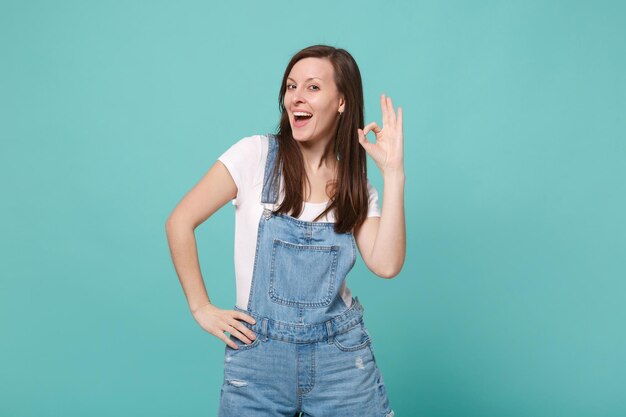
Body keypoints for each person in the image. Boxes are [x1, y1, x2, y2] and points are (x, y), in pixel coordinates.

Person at [165, 44, 405, 417]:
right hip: (258, 362)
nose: (296, 97)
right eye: (291, 87)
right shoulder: (254, 156)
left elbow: (387, 264)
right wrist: (201, 307)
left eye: (312, 87)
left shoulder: (354, 187)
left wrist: (393, 173)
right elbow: (179, 221)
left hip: (340, 360)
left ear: (342, 101)